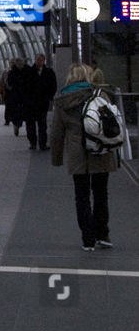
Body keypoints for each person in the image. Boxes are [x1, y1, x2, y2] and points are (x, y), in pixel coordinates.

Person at [50, 64, 123, 250]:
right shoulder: (99, 94)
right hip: (100, 151)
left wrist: (56, 158)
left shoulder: (62, 101)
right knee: (101, 194)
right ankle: (103, 234)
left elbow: (57, 133)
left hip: (77, 154)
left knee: (81, 196)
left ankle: (87, 239)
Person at [25, 54, 58, 150]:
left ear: (44, 61)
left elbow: (53, 85)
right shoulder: (29, 72)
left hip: (42, 102)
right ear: (35, 60)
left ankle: (42, 142)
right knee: (31, 123)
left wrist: (49, 96)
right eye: (38, 60)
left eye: (41, 60)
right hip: (31, 102)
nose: (39, 62)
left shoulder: (49, 72)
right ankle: (33, 142)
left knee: (42, 123)